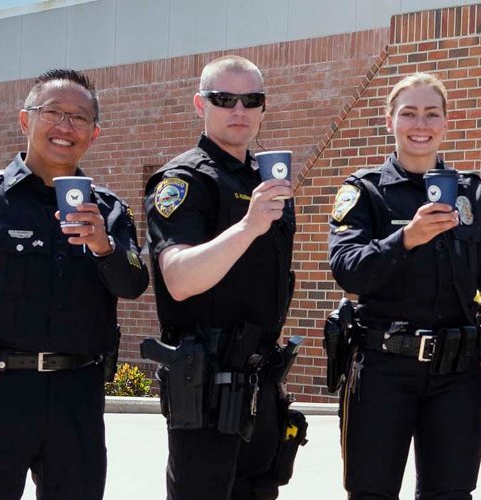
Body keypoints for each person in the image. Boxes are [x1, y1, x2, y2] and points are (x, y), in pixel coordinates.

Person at [0, 68, 149, 499]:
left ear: (95, 134)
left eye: (80, 118)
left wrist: (104, 247)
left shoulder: (109, 211)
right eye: (53, 112)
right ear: (25, 121)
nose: (65, 126)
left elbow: (133, 285)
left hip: (77, 399)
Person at [327, 72, 481, 499]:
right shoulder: (365, 192)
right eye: (410, 114)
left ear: (446, 123)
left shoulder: (472, 195)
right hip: (383, 369)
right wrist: (406, 239)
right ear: (389, 121)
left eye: (432, 114)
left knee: (451, 494)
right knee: (371, 492)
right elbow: (347, 269)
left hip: (457, 375)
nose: (421, 125)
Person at [144, 55, 297, 500]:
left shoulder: (265, 180)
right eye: (224, 98)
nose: (239, 110)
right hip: (206, 387)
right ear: (199, 104)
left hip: (261, 382)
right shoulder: (184, 180)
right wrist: (248, 227)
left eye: (252, 100)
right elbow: (178, 278)